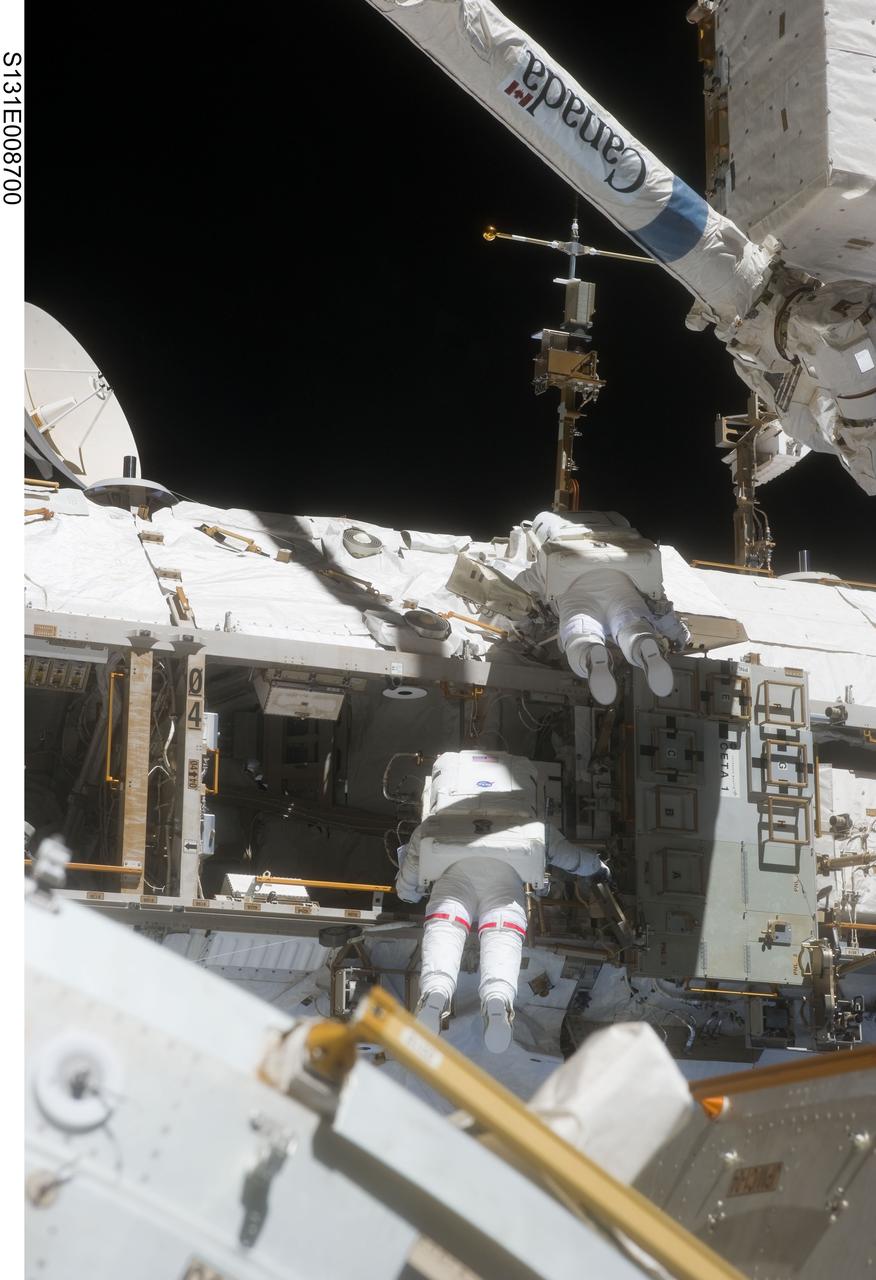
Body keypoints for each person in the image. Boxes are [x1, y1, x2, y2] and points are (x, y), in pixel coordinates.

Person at [395, 823, 608, 1053]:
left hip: (454, 872)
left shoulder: (435, 818)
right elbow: (569, 856)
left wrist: (408, 893)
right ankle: (497, 997)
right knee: (502, 932)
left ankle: (436, 990)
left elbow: (411, 874)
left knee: (446, 925)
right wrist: (599, 868)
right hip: (505, 875)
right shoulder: (532, 818)